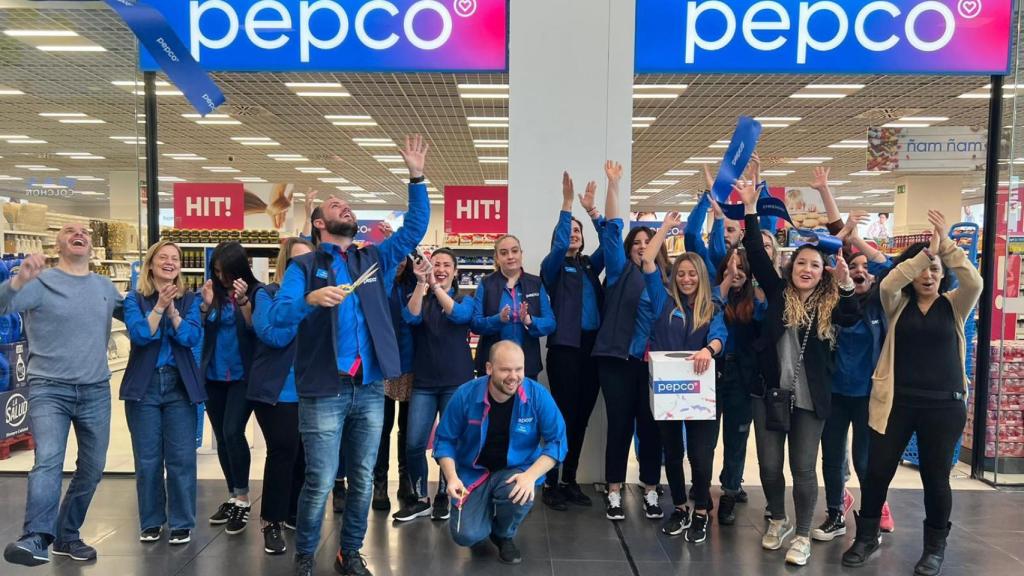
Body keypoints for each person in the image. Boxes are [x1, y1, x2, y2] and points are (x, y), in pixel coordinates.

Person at [270, 135, 430, 576]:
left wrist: (416, 176)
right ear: (319, 224)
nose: (345, 207)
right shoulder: (304, 268)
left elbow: (415, 228)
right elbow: (280, 317)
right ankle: (305, 553)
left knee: (362, 478)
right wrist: (309, 300)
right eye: (336, 205)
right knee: (321, 480)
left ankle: (350, 552)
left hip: (370, 385)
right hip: (324, 387)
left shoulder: (373, 259)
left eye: (347, 204)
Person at [843, 211, 983, 576]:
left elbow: (975, 281)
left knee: (935, 479)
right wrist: (924, 253)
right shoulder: (897, 304)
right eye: (923, 269)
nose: (929, 275)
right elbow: (889, 282)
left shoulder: (955, 305)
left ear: (944, 274)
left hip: (944, 406)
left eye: (936, 270)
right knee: (877, 472)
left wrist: (946, 248)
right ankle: (867, 537)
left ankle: (934, 548)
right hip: (897, 403)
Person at [736, 179, 860, 566]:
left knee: (803, 468)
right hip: (770, 393)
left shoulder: (831, 302)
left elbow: (852, 315)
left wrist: (847, 286)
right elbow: (755, 253)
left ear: (823, 271)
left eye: (814, 264)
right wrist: (751, 210)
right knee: (770, 466)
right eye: (801, 263)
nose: (807, 269)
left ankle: (803, 534)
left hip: (810, 401)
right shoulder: (776, 293)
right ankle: (777, 518)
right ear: (791, 268)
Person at [1, 224, 124, 567]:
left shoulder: (104, 286)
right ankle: (36, 536)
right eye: (70, 230)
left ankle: (66, 535)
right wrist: (17, 282)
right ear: (57, 244)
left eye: (84, 230)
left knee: (93, 467)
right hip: (48, 388)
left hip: (95, 388)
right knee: (49, 460)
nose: (79, 232)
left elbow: (137, 317)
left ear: (90, 246)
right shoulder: (38, 282)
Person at [434, 341, 567, 565]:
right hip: (473, 474)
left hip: (515, 471)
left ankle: (503, 533)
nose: (513, 376)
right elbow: (444, 440)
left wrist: (530, 476)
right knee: (466, 535)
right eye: (506, 369)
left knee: (521, 491)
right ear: (489, 368)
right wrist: (452, 477)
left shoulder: (537, 395)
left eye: (519, 369)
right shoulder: (465, 395)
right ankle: (482, 513)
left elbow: (557, 442)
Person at [642, 212, 727, 543]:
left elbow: (720, 336)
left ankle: (702, 510)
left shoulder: (712, 308)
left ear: (701, 277)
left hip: (702, 393)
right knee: (672, 453)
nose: (687, 279)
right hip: (668, 392)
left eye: (693, 274)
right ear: (674, 276)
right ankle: (679, 506)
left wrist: (710, 349)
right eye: (682, 274)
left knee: (701, 456)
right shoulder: (663, 300)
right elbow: (648, 259)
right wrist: (665, 228)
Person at [811, 210, 896, 542]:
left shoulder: (883, 305)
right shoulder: (832, 304)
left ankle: (874, 511)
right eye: (854, 266)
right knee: (832, 457)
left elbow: (889, 268)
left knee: (864, 459)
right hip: (833, 393)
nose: (860, 271)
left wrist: (857, 241)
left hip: (867, 396)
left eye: (866, 268)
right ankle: (835, 512)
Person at [591, 160, 668, 522]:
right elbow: (611, 228)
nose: (641, 246)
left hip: (652, 366)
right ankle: (614, 491)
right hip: (617, 362)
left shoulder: (664, 281)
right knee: (620, 426)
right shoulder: (620, 271)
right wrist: (614, 185)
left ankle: (651, 490)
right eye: (636, 243)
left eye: (647, 242)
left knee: (651, 428)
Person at [121, 240, 204, 547]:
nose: (170, 262)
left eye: (175, 259)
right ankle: (152, 520)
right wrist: (157, 307)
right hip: (144, 388)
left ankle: (182, 523)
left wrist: (172, 311)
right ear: (151, 264)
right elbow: (141, 336)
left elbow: (191, 337)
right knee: (148, 460)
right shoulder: (134, 299)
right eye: (163, 258)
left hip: (179, 386)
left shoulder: (189, 300)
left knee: (182, 458)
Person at [538, 173, 606, 511]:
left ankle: (570, 480)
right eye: (569, 232)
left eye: (578, 232)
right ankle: (550, 481)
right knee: (562, 417)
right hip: (565, 349)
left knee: (581, 417)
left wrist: (593, 214)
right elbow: (557, 246)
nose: (573, 236)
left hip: (593, 350)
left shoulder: (591, 266)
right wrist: (567, 206)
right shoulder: (552, 267)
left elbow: (610, 243)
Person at [392, 249, 475, 522]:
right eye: (436, 264)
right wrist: (420, 283)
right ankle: (419, 499)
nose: (440, 268)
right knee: (414, 442)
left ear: (455, 271)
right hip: (424, 383)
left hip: (456, 382)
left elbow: (459, 317)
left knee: (448, 442)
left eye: (446, 265)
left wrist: (436, 286)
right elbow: (410, 317)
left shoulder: (465, 299)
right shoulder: (421, 297)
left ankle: (444, 494)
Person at [249, 237, 315, 555]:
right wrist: (302, 309)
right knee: (283, 450)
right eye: (296, 262)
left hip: (310, 389)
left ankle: (292, 513)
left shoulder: (319, 298)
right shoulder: (267, 294)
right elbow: (271, 334)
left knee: (304, 454)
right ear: (285, 265)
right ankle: (271, 521)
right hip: (276, 391)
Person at [201, 241, 261, 535]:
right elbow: (203, 330)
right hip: (213, 376)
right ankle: (232, 494)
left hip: (242, 375)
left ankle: (244, 497)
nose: (222, 277)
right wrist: (205, 305)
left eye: (227, 271)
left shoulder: (256, 292)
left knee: (232, 432)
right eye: (217, 271)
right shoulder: (211, 294)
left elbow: (256, 331)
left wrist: (244, 304)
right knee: (222, 438)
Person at [713, 246, 766, 525]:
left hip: (742, 377)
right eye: (729, 267)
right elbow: (709, 310)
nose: (735, 272)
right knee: (706, 439)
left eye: (741, 267)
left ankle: (730, 491)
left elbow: (767, 320)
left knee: (736, 439)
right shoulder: (713, 297)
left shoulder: (756, 302)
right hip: (711, 372)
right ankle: (700, 490)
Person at [470, 235, 556, 380]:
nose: (510, 256)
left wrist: (530, 321)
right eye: (503, 253)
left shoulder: (535, 283)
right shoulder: (486, 283)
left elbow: (550, 323)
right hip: (493, 366)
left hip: (526, 365)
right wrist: (498, 319)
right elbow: (475, 323)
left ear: (521, 254)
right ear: (497, 258)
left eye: (514, 251)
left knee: (524, 403)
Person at [374, 247, 417, 513]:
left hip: (413, 364)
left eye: (404, 257)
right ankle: (379, 481)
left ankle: (405, 479)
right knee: (382, 427)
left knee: (408, 428)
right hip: (384, 365)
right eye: (395, 256)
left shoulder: (416, 284)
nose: (400, 262)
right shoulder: (381, 282)